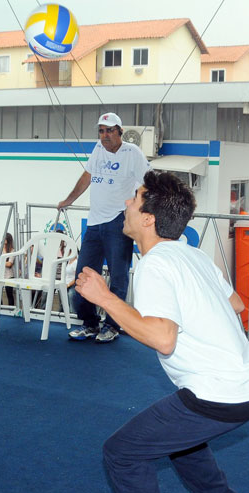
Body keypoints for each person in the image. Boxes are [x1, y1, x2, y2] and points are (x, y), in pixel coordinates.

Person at [75, 171, 249, 493]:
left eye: (135, 197)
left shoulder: (155, 264)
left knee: (122, 453)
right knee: (182, 440)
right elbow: (236, 305)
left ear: (148, 218)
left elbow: (163, 338)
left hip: (219, 393)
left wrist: (105, 298)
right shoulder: (191, 254)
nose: (128, 203)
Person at [58, 112, 151, 343]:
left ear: (120, 132)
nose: (105, 135)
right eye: (101, 130)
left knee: (118, 277)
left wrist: (141, 210)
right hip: (94, 223)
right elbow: (87, 176)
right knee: (84, 275)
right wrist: (69, 200)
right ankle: (89, 324)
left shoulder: (133, 153)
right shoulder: (97, 149)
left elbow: (149, 183)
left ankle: (112, 325)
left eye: (110, 130)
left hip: (118, 222)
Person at [0, 232, 16, 305]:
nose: (3, 239)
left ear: (8, 240)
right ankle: (0, 309)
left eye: (5, 238)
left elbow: (9, 264)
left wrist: (0, 262)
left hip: (9, 276)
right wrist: (4, 262)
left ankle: (11, 310)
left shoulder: (12, 251)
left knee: (9, 294)